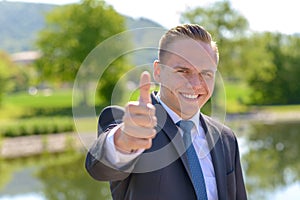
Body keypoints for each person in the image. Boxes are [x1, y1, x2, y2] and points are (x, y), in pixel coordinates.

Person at [85, 24, 247, 200]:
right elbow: (99, 168)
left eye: (206, 74)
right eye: (183, 71)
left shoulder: (225, 138)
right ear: (158, 71)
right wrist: (123, 141)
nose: (195, 84)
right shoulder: (133, 125)